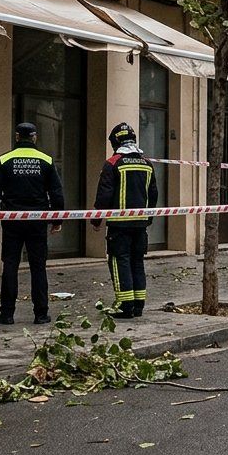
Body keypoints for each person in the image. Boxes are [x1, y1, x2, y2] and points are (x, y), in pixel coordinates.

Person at [0, 122, 65, 325]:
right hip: (37, 221)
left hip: (12, 221)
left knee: (10, 265)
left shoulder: (5, 159)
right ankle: (41, 314)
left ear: (16, 137)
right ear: (34, 137)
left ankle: (7, 314)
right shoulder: (46, 160)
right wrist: (57, 219)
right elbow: (56, 192)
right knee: (38, 267)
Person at [92, 122, 158, 319]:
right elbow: (153, 194)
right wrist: (148, 218)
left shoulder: (113, 163)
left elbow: (104, 195)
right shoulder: (147, 164)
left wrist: (96, 220)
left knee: (120, 261)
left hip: (119, 225)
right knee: (137, 261)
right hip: (140, 224)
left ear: (115, 142)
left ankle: (124, 305)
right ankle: (138, 304)